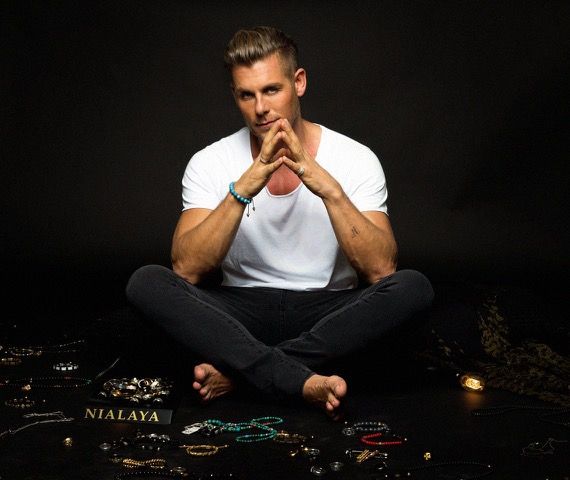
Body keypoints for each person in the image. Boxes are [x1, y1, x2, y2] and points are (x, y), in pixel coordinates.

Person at [126, 26, 434, 418]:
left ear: (298, 82)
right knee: (146, 282)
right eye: (246, 95)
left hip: (327, 311)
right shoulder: (210, 161)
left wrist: (328, 188)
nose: (260, 108)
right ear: (235, 96)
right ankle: (297, 378)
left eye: (271, 90)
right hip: (240, 312)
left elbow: (380, 269)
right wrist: (246, 185)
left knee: (413, 287)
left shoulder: (356, 158)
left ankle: (243, 374)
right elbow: (187, 268)